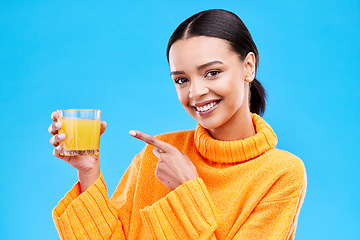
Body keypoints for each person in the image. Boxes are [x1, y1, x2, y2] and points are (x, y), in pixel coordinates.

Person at [49, 9, 306, 239]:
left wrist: (186, 190)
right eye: (182, 80)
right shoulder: (158, 154)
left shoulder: (281, 174)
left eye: (212, 73)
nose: (195, 92)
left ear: (248, 66)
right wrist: (88, 173)